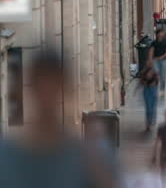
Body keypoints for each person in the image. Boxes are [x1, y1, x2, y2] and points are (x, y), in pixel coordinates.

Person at [0, 49, 119, 188]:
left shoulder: (91, 154)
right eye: (41, 84)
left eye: (54, 84)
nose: (47, 93)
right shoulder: (7, 155)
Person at [149, 29, 166, 96]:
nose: (162, 34)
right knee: (156, 74)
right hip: (155, 61)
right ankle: (155, 88)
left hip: (163, 61)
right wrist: (150, 61)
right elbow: (151, 52)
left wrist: (162, 57)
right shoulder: (154, 43)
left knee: (163, 76)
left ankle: (162, 89)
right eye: (160, 33)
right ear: (157, 34)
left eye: (162, 33)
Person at [140, 61, 159, 132]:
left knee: (153, 107)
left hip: (153, 90)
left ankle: (151, 121)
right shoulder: (144, 72)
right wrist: (145, 82)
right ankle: (148, 123)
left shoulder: (155, 72)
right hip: (147, 91)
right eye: (148, 63)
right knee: (148, 108)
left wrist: (154, 83)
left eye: (151, 63)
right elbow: (141, 82)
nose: (150, 64)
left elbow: (157, 81)